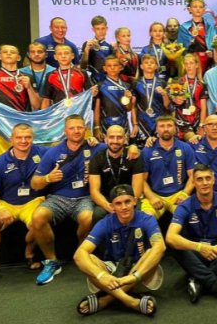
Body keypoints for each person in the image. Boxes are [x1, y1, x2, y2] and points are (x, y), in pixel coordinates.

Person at [30, 115, 106, 285]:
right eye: (72, 128)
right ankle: (51, 261)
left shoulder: (95, 147)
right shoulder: (53, 152)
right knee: (38, 216)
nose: (76, 131)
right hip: (58, 198)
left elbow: (118, 147)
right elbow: (34, 183)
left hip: (84, 197)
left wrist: (133, 148)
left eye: (80, 127)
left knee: (88, 218)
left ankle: (82, 254)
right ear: (65, 131)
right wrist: (48, 178)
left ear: (85, 129)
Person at [74, 184, 165, 316]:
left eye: (127, 201)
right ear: (112, 206)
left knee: (153, 252)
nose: (124, 207)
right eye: (118, 203)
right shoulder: (105, 223)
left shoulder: (147, 219)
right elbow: (79, 254)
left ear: (135, 201)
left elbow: (160, 246)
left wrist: (131, 278)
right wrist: (102, 276)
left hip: (138, 272)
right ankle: (130, 301)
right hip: (112, 273)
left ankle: (106, 299)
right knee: (89, 259)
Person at [166, 164, 217, 303]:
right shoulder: (185, 205)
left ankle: (199, 280)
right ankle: (215, 284)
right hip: (196, 252)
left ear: (213, 180)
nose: (204, 183)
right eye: (200, 179)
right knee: (173, 244)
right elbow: (170, 236)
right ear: (193, 182)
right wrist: (200, 247)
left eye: (207, 178)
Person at [0, 123, 48, 290]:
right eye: (19, 137)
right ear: (12, 139)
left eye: (27, 137)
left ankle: (29, 249)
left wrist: (91, 141)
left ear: (33, 138)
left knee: (41, 217)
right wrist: (0, 209)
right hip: (7, 203)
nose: (23, 141)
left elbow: (67, 149)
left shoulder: (44, 154)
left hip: (33, 202)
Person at [139, 115, 195, 219]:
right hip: (155, 194)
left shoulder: (186, 148)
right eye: (162, 126)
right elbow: (141, 180)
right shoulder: (147, 150)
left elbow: (193, 176)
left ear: (175, 129)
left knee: (190, 217)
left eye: (169, 125)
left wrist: (185, 194)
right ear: (156, 129)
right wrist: (151, 197)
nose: (165, 129)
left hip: (178, 194)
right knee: (145, 219)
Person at [88, 125, 144, 223]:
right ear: (105, 139)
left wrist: (124, 206)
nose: (115, 141)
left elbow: (137, 191)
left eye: (119, 137)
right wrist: (110, 207)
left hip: (129, 199)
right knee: (98, 214)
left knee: (138, 213)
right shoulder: (97, 159)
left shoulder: (134, 156)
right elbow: (94, 191)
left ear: (125, 139)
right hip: (106, 200)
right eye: (111, 137)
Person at [40, 44, 93, 109]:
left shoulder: (82, 73)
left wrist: (94, 92)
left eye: (66, 53)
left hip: (78, 111)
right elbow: (46, 99)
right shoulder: (50, 75)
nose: (63, 56)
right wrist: (44, 114)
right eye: (60, 54)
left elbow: (90, 94)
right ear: (55, 57)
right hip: (58, 112)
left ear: (72, 56)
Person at [131, 54, 169, 144]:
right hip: (142, 122)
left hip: (158, 121)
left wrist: (164, 94)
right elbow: (133, 106)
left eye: (152, 63)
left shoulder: (162, 83)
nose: (149, 64)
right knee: (142, 147)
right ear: (141, 66)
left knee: (159, 147)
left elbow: (167, 106)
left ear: (156, 66)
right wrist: (135, 124)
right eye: (146, 63)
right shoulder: (136, 83)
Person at [169, 53, 208, 141]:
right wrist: (175, 99)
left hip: (196, 120)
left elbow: (203, 107)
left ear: (197, 65)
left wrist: (201, 124)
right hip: (182, 119)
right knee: (193, 140)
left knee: (198, 143)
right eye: (186, 64)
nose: (189, 66)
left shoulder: (202, 85)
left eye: (191, 63)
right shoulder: (178, 82)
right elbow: (171, 103)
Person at [93, 55, 134, 139]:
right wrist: (97, 127)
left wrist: (129, 99)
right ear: (105, 68)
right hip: (105, 123)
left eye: (115, 65)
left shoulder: (127, 86)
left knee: (123, 145)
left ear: (120, 68)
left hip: (123, 123)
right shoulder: (100, 86)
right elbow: (96, 108)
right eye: (109, 66)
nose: (112, 68)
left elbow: (128, 108)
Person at [179, 0, 217, 72]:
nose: (198, 9)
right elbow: (181, 48)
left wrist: (212, 52)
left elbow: (214, 44)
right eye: (195, 7)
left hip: (207, 61)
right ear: (189, 9)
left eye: (200, 7)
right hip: (190, 61)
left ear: (204, 10)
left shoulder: (209, 26)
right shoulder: (184, 27)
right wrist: (192, 37)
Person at [81, 15, 113, 84]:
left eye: (103, 28)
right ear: (93, 30)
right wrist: (86, 50)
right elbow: (82, 66)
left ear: (107, 28)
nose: (101, 31)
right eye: (98, 29)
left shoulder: (110, 46)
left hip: (107, 81)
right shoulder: (87, 44)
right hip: (92, 80)